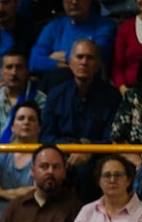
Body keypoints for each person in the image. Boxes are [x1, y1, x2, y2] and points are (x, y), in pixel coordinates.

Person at [42, 40, 122, 198]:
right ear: (70, 62)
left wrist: (89, 150)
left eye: (89, 58)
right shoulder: (56, 95)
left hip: (98, 157)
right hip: (63, 155)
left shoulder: (112, 96)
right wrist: (74, 147)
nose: (84, 62)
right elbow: (46, 136)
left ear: (98, 64)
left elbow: (113, 138)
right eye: (79, 57)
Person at [29, 0, 116, 85]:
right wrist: (59, 64)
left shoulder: (105, 26)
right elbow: (34, 62)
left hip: (90, 89)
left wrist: (64, 58)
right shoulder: (54, 26)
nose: (74, 2)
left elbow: (96, 56)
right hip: (54, 90)